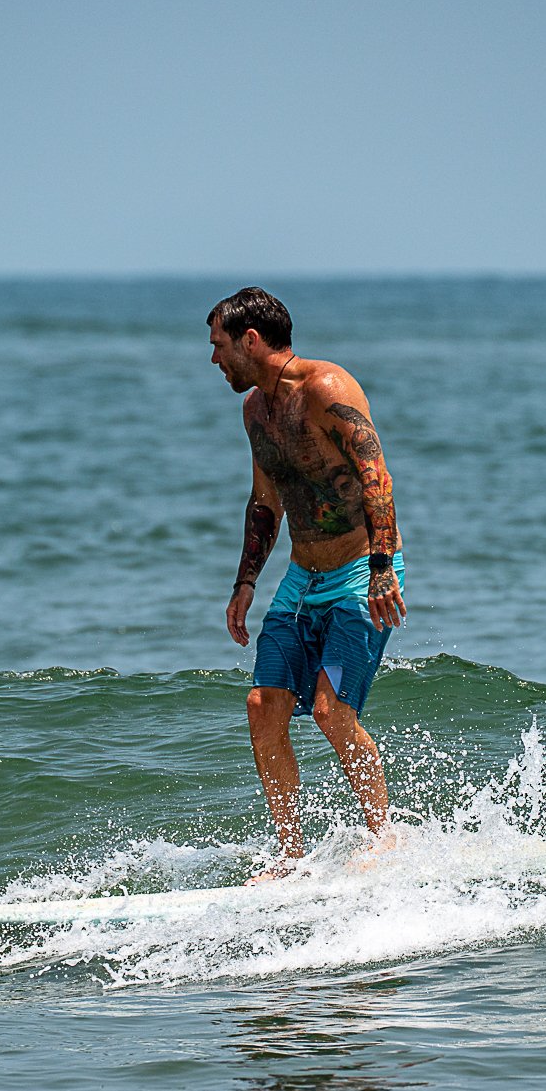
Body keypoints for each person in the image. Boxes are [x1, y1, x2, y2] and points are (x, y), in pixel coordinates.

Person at [207, 287, 408, 882]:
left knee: (329, 710)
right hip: (301, 581)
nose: (214, 359)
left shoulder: (328, 390)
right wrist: (246, 583)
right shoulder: (255, 412)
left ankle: (385, 838)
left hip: (355, 576)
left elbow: (377, 476)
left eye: (219, 346)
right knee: (262, 707)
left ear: (251, 340)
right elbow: (264, 499)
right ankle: (290, 855)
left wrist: (379, 567)